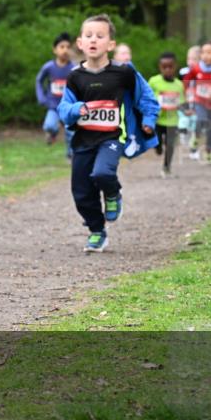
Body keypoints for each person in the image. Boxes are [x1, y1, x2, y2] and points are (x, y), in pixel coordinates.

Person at [58, 14, 159, 253]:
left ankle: (113, 193)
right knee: (81, 192)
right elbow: (63, 109)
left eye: (100, 36)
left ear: (110, 45)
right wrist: (77, 109)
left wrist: (149, 120)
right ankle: (97, 231)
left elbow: (146, 97)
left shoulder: (123, 73)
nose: (94, 40)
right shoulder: (75, 77)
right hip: (83, 140)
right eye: (88, 36)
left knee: (102, 173)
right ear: (80, 43)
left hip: (113, 137)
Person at [182, 42, 211, 164]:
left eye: (209, 52)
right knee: (201, 120)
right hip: (200, 101)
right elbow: (186, 80)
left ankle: (209, 149)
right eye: (203, 52)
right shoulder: (196, 69)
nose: (205, 55)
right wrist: (187, 92)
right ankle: (196, 136)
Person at [36, 31, 76, 156]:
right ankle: (53, 134)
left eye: (68, 47)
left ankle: (70, 155)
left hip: (68, 106)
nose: (65, 50)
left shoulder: (73, 68)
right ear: (55, 50)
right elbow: (39, 80)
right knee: (48, 126)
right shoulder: (49, 67)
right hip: (53, 105)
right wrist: (42, 97)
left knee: (71, 132)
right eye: (62, 47)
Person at [147, 52, 186, 177]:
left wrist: (185, 109)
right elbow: (147, 97)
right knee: (157, 143)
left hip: (172, 120)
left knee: (170, 145)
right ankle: (157, 148)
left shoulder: (179, 85)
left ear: (175, 67)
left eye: (170, 67)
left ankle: (166, 167)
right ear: (160, 67)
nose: (168, 70)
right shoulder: (154, 81)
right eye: (164, 67)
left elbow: (181, 102)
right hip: (157, 120)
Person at [178, 45, 200, 152]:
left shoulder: (201, 73)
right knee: (183, 118)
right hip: (184, 99)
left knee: (195, 123)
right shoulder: (183, 72)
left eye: (194, 59)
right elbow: (178, 85)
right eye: (189, 59)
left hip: (196, 101)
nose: (191, 61)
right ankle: (182, 133)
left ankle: (193, 147)